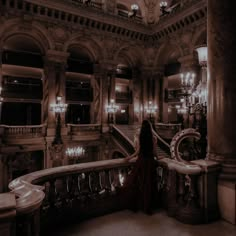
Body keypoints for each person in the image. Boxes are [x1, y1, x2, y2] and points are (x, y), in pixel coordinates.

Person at [121, 119, 161, 214]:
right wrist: (159, 158)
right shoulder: (154, 138)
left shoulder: (140, 137)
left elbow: (137, 152)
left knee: (140, 183)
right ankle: (148, 206)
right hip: (150, 162)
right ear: (150, 128)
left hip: (141, 161)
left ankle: (140, 204)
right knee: (149, 184)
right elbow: (155, 153)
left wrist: (128, 158)